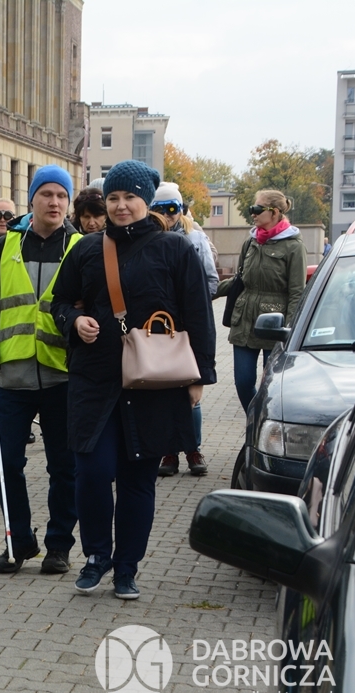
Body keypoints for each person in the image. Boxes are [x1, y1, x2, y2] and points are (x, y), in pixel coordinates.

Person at [51, 159, 216, 600]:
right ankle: (96, 556)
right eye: (113, 198)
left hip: (154, 382)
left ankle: (127, 568)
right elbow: (60, 302)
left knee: (137, 480)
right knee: (92, 472)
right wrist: (75, 321)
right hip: (95, 379)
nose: (121, 206)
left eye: (130, 197)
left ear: (146, 200)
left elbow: (198, 314)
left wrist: (200, 376)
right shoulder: (87, 249)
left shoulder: (175, 249)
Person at [0, 164, 82, 575]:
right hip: (11, 377)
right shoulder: (4, 248)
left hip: (63, 376)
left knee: (64, 467)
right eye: (46, 194)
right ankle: (18, 542)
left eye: (62, 196)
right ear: (32, 199)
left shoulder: (81, 248)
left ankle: (59, 546)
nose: (54, 202)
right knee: (6, 465)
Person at [149, 182, 219, 478]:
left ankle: (193, 448)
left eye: (173, 208)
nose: (168, 215)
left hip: (187, 329)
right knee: (163, 390)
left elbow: (211, 281)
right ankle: (168, 450)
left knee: (190, 392)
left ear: (181, 209)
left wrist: (192, 304)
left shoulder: (195, 238)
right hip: (158, 329)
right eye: (160, 209)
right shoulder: (148, 240)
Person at [215, 189, 306, 413]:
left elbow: (296, 292)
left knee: (271, 386)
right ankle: (255, 420)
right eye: (252, 209)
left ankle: (264, 423)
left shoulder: (293, 246)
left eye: (257, 209)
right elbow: (239, 281)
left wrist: (289, 330)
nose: (252, 214)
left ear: (274, 212)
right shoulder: (251, 242)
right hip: (244, 321)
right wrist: (205, 291)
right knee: (243, 382)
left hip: (274, 326)